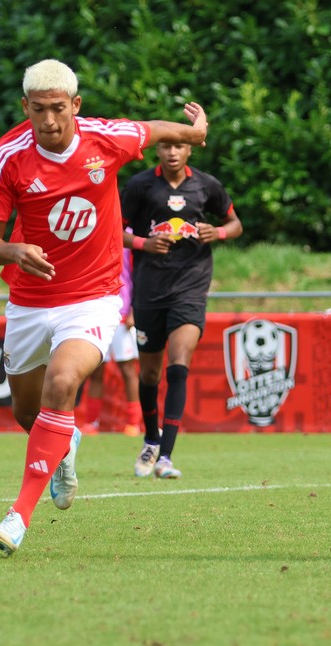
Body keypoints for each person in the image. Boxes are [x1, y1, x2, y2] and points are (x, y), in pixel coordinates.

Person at [0, 58, 209, 554]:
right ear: (25, 107)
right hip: (29, 300)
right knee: (27, 412)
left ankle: (18, 516)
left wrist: (194, 131)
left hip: (94, 296)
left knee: (63, 383)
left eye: (59, 108)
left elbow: (153, 130)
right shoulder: (7, 156)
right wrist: (14, 250)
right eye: (38, 110)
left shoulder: (106, 138)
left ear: (75, 105)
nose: (49, 120)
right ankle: (65, 446)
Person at [122, 141, 243, 479]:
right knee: (149, 373)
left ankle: (166, 457)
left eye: (179, 146)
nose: (173, 151)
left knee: (179, 363)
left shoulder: (207, 185)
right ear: (157, 151)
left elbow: (235, 224)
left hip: (190, 287)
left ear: (189, 151)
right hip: (149, 290)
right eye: (166, 146)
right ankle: (150, 439)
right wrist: (144, 243)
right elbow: (110, 231)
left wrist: (217, 231)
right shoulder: (139, 185)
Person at [80, 242, 142, 437]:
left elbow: (138, 276)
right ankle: (92, 422)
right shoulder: (92, 231)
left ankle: (133, 423)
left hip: (122, 315)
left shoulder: (130, 237)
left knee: (128, 369)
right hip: (96, 314)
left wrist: (134, 309)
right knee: (95, 369)